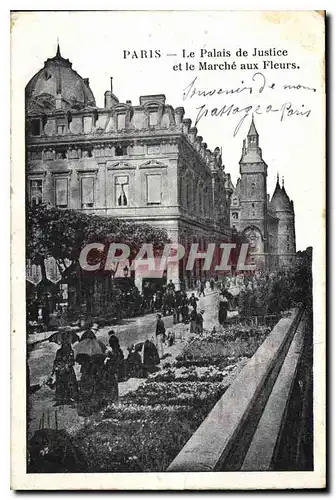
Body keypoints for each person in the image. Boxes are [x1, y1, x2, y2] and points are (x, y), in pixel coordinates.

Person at [51, 336, 78, 406]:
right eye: (64, 344)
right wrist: (55, 368)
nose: (65, 345)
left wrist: (66, 365)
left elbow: (72, 362)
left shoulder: (70, 352)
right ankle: (61, 399)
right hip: (62, 370)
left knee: (67, 385)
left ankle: (68, 398)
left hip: (66, 371)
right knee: (61, 385)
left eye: (66, 344)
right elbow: (56, 361)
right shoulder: (60, 351)